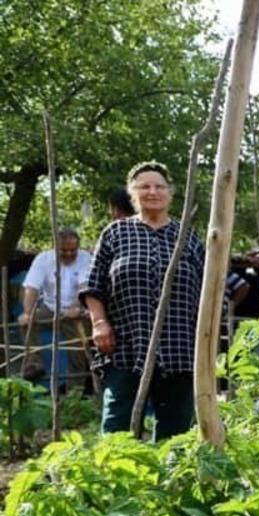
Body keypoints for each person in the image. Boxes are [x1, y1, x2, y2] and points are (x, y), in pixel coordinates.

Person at [81, 161, 204, 439]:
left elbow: (211, 290)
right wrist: (99, 323)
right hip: (126, 344)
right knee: (117, 424)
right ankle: (116, 479)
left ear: (170, 194)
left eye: (159, 186)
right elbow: (93, 286)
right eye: (144, 186)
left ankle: (169, 481)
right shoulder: (115, 233)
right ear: (132, 194)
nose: (152, 192)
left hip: (180, 347)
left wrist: (206, 338)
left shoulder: (188, 237)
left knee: (176, 430)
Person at [19, 229, 93, 382]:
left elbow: (84, 287)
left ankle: (75, 392)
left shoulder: (86, 258)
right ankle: (34, 363)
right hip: (50, 308)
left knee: (78, 352)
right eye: (64, 250)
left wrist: (76, 307)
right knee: (27, 322)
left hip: (77, 311)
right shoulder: (43, 260)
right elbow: (31, 288)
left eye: (73, 250)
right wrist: (27, 313)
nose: (68, 254)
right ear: (55, 247)